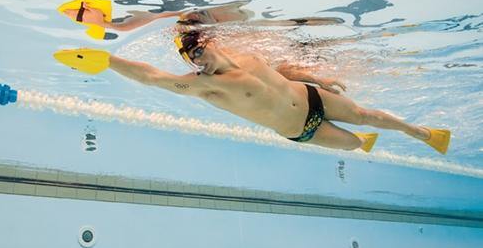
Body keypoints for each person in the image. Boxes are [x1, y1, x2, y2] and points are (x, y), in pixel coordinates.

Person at [98, 29, 450, 154]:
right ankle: (365, 142)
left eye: (197, 51)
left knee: (363, 114)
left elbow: (281, 72)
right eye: (189, 58)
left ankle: (422, 133)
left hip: (311, 95)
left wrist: (318, 79)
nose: (196, 60)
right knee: (353, 143)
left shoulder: (246, 56)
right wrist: (107, 60)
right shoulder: (206, 86)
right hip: (301, 128)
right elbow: (152, 77)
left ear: (211, 43)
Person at [62, 0, 344, 34]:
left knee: (267, 25)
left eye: (83, 10)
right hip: (199, 22)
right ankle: (316, 22)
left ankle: (316, 21)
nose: (83, 16)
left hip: (200, 18)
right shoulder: (121, 26)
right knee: (265, 26)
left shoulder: (125, 20)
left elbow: (163, 18)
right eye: (80, 17)